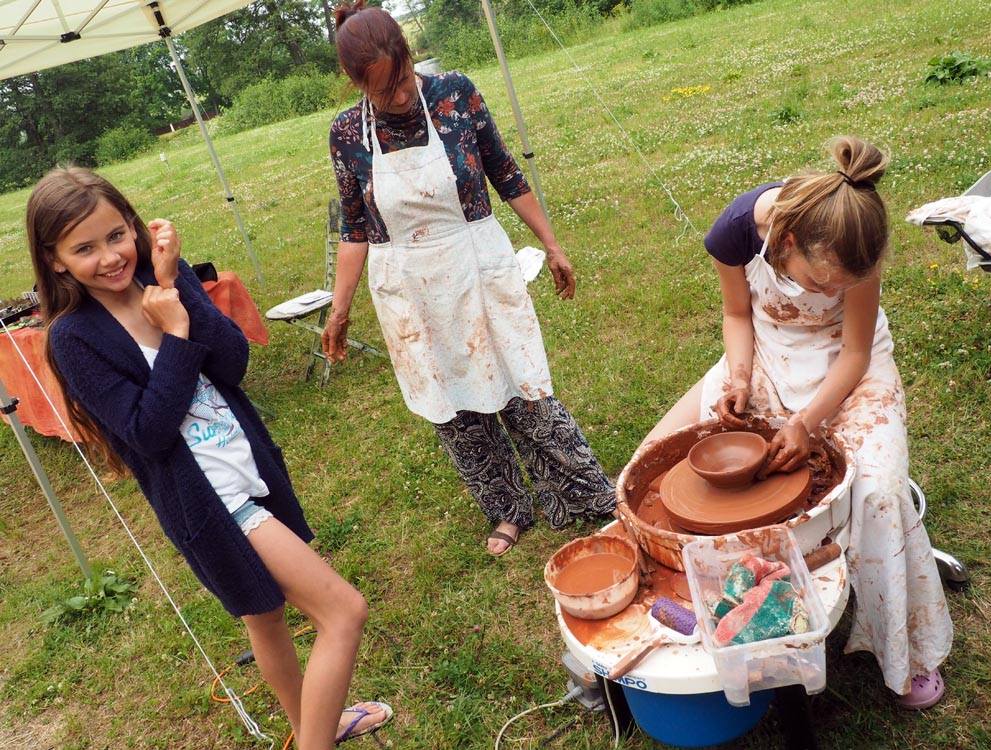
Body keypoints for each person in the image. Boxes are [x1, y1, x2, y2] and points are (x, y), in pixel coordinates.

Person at [27, 167, 392, 748]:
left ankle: (311, 725)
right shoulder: (74, 339)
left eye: (117, 235)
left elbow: (232, 363)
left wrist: (175, 288)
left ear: (134, 226)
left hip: (249, 470)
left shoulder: (161, 278)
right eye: (85, 249)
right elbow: (147, 434)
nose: (111, 257)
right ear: (56, 260)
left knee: (266, 618)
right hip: (211, 505)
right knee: (344, 613)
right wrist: (174, 336)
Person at [643, 137, 953, 708]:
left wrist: (807, 423)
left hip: (848, 365)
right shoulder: (735, 230)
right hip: (770, 351)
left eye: (841, 287)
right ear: (786, 243)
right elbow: (736, 313)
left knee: (879, 491)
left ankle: (905, 651)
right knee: (656, 459)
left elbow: (856, 352)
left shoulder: (854, 242)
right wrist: (739, 378)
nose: (831, 292)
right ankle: (737, 608)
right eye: (819, 283)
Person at [324, 1, 615, 556]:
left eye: (404, 79)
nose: (401, 96)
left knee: (522, 385)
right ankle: (507, 508)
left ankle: (582, 493)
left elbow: (504, 171)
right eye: (385, 91)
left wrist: (552, 245)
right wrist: (339, 311)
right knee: (452, 405)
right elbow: (355, 227)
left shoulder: (454, 94)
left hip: (476, 262)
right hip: (408, 285)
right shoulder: (346, 133)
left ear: (409, 55)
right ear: (357, 84)